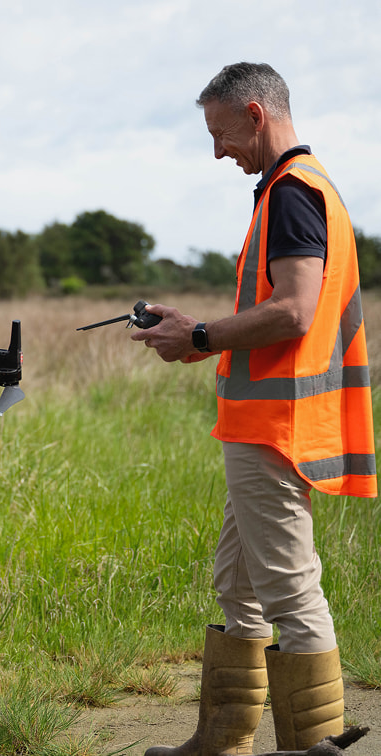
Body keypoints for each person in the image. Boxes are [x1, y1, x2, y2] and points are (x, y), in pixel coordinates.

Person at [131, 63, 377, 755]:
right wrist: (193, 328)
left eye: (221, 133)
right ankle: (220, 743)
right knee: (237, 587)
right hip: (264, 427)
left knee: (292, 596)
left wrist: (199, 337)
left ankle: (313, 747)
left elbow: (294, 311)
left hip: (278, 430)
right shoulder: (292, 190)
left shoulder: (294, 194)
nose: (218, 152)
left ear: (256, 114)